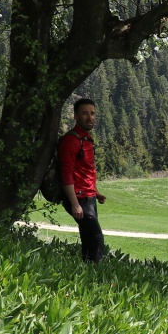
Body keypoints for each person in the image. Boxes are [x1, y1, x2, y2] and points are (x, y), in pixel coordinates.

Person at [59, 98, 105, 263]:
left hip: (88, 197)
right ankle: (96, 272)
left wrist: (96, 192)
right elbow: (66, 174)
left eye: (92, 113)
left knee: (89, 239)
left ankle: (88, 271)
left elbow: (87, 171)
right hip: (78, 198)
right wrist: (75, 204)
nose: (90, 117)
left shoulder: (86, 138)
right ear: (76, 116)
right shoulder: (72, 140)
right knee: (96, 238)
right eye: (85, 113)